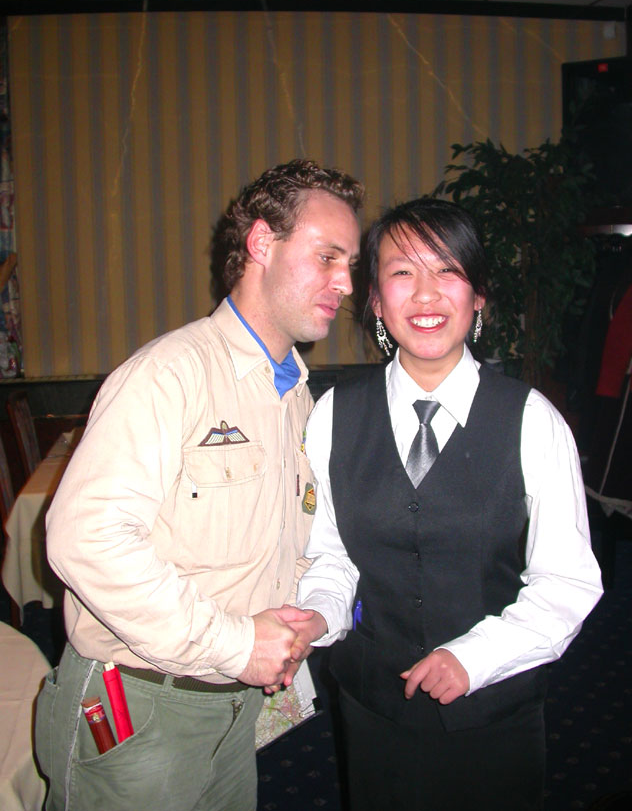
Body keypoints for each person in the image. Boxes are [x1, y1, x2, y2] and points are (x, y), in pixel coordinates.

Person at [35, 159, 364, 811]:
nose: (347, 283)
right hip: (140, 710)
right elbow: (84, 539)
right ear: (262, 243)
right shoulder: (170, 374)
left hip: (236, 713)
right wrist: (236, 644)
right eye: (328, 257)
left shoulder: (297, 397)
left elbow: (286, 543)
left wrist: (308, 612)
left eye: (350, 263)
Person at [290, 197, 603, 811]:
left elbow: (567, 581)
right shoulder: (332, 415)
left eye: (448, 270)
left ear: (478, 295)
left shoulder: (532, 420)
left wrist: (473, 657)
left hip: (493, 715)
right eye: (402, 272)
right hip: (373, 711)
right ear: (376, 300)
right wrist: (319, 615)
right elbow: (330, 554)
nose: (426, 293)